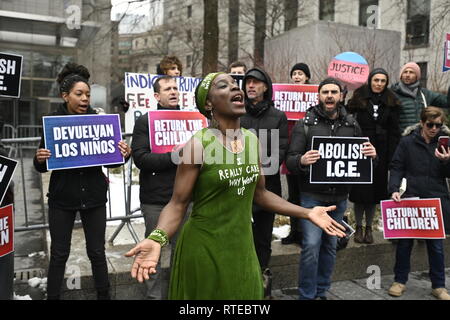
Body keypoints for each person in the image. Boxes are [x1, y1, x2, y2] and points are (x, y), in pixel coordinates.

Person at [125, 72, 346, 300]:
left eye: (234, 84)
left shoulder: (251, 141)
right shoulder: (198, 145)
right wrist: (157, 238)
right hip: (203, 249)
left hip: (242, 247)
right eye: (224, 86)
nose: (235, 88)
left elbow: (260, 194)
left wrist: (307, 213)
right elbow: (177, 204)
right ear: (209, 103)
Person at [33, 63, 131, 300]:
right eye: (79, 94)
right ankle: (53, 296)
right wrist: (40, 159)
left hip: (94, 197)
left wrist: (123, 155)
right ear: (65, 96)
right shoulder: (52, 122)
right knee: (59, 254)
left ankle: (103, 295)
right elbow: (43, 164)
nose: (85, 98)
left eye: (87, 94)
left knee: (97, 252)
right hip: (62, 198)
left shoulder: (99, 120)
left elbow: (112, 163)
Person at [286, 78, 377, 300]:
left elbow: (363, 160)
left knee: (330, 246)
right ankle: (307, 295)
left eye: (333, 92)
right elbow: (289, 160)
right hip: (311, 197)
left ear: (341, 95)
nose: (329, 95)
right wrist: (301, 161)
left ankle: (321, 291)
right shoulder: (305, 123)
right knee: (311, 247)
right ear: (319, 95)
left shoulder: (352, 124)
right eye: (325, 91)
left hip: (339, 197)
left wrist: (372, 157)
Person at [387, 106, 450, 300]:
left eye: (438, 125)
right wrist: (394, 189)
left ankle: (438, 286)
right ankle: (400, 281)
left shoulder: (445, 143)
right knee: (404, 243)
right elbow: (397, 166)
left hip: (436, 198)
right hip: (412, 197)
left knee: (436, 246)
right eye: (430, 124)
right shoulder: (407, 142)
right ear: (422, 123)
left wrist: (447, 161)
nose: (434, 129)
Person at [131, 75, 181, 299]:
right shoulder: (145, 121)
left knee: (184, 254)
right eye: (167, 89)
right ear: (157, 96)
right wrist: (174, 157)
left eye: (175, 88)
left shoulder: (191, 120)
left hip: (185, 200)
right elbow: (141, 158)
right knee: (154, 255)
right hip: (155, 201)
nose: (173, 91)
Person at [240, 67, 288, 297]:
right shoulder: (236, 113)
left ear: (266, 87)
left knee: (262, 238)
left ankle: (261, 283)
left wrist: (257, 169)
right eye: (248, 82)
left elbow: (280, 150)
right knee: (239, 236)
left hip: (268, 187)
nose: (250, 85)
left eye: (256, 82)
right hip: (238, 187)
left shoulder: (278, 116)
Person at [346, 68, 401, 244]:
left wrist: (392, 156)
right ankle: (359, 227)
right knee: (359, 190)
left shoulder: (392, 101)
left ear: (386, 83)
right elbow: (347, 118)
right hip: (360, 148)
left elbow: (394, 131)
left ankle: (369, 227)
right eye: (376, 80)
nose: (378, 84)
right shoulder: (358, 97)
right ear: (370, 81)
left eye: (382, 81)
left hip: (382, 150)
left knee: (374, 192)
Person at [282, 62, 312, 246]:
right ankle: (294, 231)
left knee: (305, 195)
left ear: (307, 77)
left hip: (307, 153)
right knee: (293, 196)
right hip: (289, 153)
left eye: (301, 73)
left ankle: (305, 233)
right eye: (294, 73)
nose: (297, 76)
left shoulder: (314, 96)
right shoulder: (285, 97)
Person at [391, 62, 449, 132]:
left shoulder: (424, 94)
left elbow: (447, 101)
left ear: (417, 76)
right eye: (405, 72)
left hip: (422, 138)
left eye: (411, 72)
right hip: (401, 139)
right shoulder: (393, 94)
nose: (407, 75)